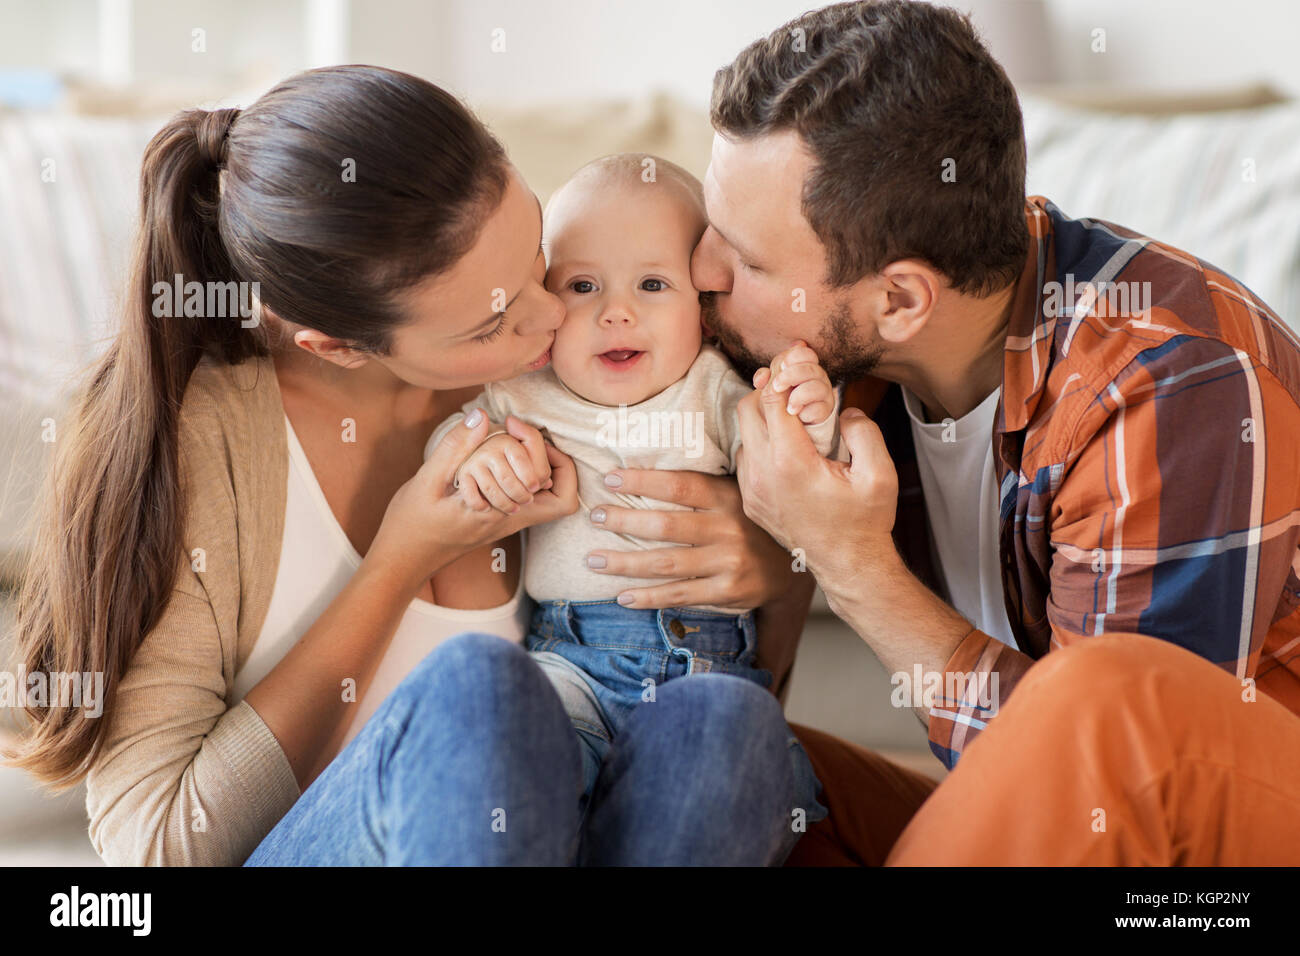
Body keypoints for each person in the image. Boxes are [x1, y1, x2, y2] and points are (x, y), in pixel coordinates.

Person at [5, 66, 813, 866]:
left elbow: (704, 741)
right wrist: (399, 562)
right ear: (340, 347)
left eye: (534, 252)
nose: (552, 315)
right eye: (490, 322)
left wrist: (775, 567)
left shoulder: (586, 378)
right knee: (481, 689)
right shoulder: (192, 446)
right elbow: (157, 845)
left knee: (726, 722)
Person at [694, 0, 1300, 864]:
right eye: (712, 224)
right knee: (721, 753)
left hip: (1220, 857)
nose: (701, 270)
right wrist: (773, 559)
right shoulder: (835, 360)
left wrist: (843, 558)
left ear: (900, 300)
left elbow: (1111, 792)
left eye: (748, 260)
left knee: (1106, 701)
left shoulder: (1171, 383)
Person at [425, 154, 838, 845]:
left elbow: (790, 467)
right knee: (518, 752)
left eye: (652, 284)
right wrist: (484, 456)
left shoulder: (713, 390)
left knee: (721, 755)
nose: (616, 312)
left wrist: (807, 411)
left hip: (708, 669)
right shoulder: (525, 396)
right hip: (569, 662)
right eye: (583, 285)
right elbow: (452, 440)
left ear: (703, 313)